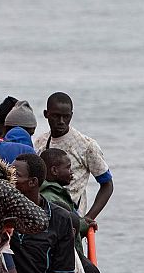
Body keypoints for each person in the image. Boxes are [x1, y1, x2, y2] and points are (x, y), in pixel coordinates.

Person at [42, 146, 104, 273]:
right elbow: (66, 221)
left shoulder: (53, 193)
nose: (72, 172)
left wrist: (84, 224)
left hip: (69, 255)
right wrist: (81, 225)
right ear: (53, 171)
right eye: (68, 168)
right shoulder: (52, 198)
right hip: (68, 258)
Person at [34, 91, 113, 224]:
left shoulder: (86, 146)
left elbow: (107, 184)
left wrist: (88, 217)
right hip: (44, 214)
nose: (61, 121)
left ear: (71, 115)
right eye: (56, 116)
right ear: (46, 114)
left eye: (66, 117)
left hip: (72, 219)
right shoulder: (40, 142)